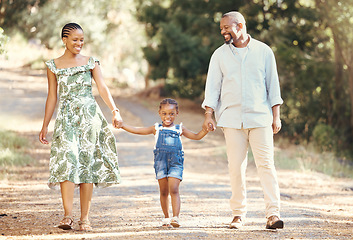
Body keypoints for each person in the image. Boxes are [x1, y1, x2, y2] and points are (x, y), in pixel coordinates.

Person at [202, 11, 284, 230]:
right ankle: (239, 214)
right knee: (236, 168)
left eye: (226, 27)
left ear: (239, 26)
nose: (223, 31)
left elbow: (272, 86)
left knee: (266, 165)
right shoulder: (219, 55)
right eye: (221, 28)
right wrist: (209, 114)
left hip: (260, 118)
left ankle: (273, 214)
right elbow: (212, 88)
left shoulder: (264, 52)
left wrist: (276, 117)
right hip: (231, 119)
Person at [39, 23, 123, 231]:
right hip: (66, 118)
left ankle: (85, 218)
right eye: (75, 39)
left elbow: (102, 88)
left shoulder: (91, 62)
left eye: (82, 39)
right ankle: (67, 215)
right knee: (66, 160)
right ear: (64, 40)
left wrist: (115, 110)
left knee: (87, 164)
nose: (79, 43)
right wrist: (45, 125)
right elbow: (52, 97)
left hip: (89, 118)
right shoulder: (53, 65)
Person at [121, 98, 208, 228]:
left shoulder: (180, 129)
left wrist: (205, 130)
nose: (168, 117)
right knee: (163, 192)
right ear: (160, 113)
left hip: (175, 163)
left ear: (177, 113)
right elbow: (138, 130)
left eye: (172, 113)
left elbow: (196, 136)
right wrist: (122, 125)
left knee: (174, 189)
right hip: (160, 163)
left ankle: (176, 218)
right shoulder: (156, 128)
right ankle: (166, 218)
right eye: (165, 113)